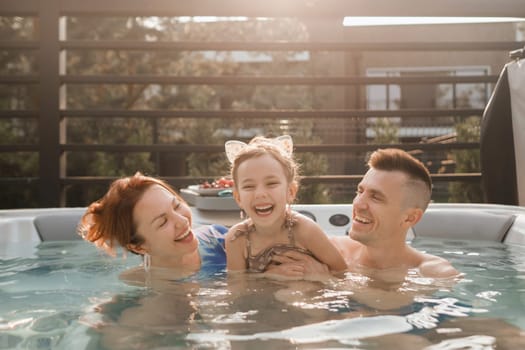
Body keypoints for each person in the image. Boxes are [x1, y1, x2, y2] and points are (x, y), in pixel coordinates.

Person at [224, 135, 347, 276]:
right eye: (249, 186)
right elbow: (236, 290)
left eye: (271, 183)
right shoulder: (237, 239)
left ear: (290, 191)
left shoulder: (305, 231)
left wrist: (323, 278)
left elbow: (343, 275)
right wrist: (267, 276)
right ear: (238, 197)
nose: (260, 194)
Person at [78, 172, 228, 285]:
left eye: (176, 206)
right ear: (139, 247)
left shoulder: (220, 240)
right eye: (162, 222)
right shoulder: (142, 283)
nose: (182, 221)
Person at [331, 148, 459, 279]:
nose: (358, 204)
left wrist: (325, 279)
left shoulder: (434, 273)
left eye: (375, 197)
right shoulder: (333, 251)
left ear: (410, 218)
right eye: (360, 191)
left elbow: (393, 300)